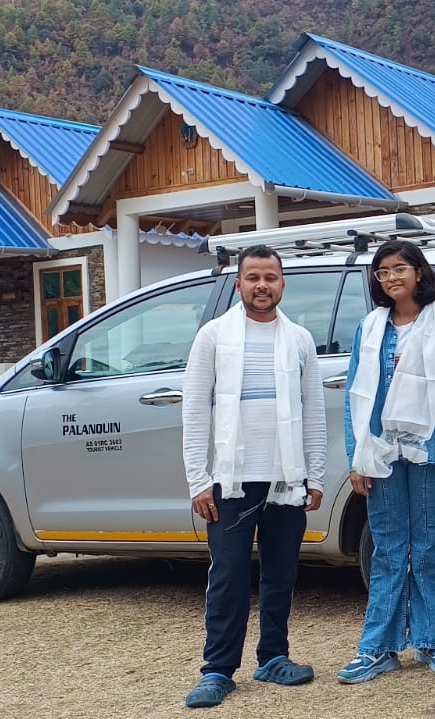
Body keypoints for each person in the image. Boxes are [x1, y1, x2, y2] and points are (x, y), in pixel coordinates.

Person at [180, 245, 326, 708]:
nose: (262, 285)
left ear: (283, 283)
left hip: (287, 479)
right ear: (238, 283)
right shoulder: (213, 336)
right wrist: (198, 480)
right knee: (227, 576)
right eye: (253, 277)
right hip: (230, 482)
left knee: (280, 574)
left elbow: (314, 413)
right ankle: (218, 670)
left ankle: (273, 657)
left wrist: (315, 475)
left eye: (271, 277)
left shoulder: (300, 339)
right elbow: (194, 412)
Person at [336, 240, 435, 684]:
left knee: (428, 547)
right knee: (388, 550)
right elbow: (355, 394)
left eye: (399, 269)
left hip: (431, 451)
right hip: (380, 453)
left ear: (420, 273)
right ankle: (378, 648)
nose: (390, 278)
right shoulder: (369, 328)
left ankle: (433, 641)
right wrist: (357, 456)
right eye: (383, 271)